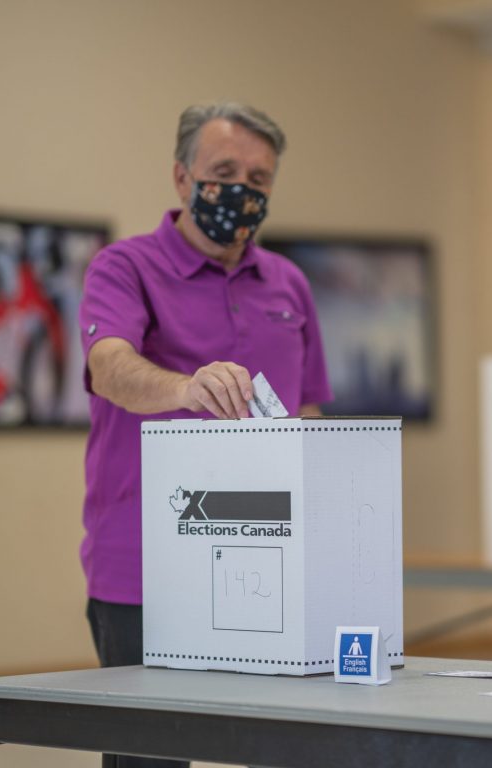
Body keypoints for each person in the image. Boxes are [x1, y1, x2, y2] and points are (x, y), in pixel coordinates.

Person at [78, 103, 332, 767]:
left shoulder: (289, 284)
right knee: (149, 755)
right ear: (181, 177)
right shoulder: (123, 267)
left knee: (293, 745)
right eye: (224, 171)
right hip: (144, 566)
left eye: (260, 176)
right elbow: (108, 368)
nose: (242, 188)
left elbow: (307, 412)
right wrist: (185, 389)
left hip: (271, 562)